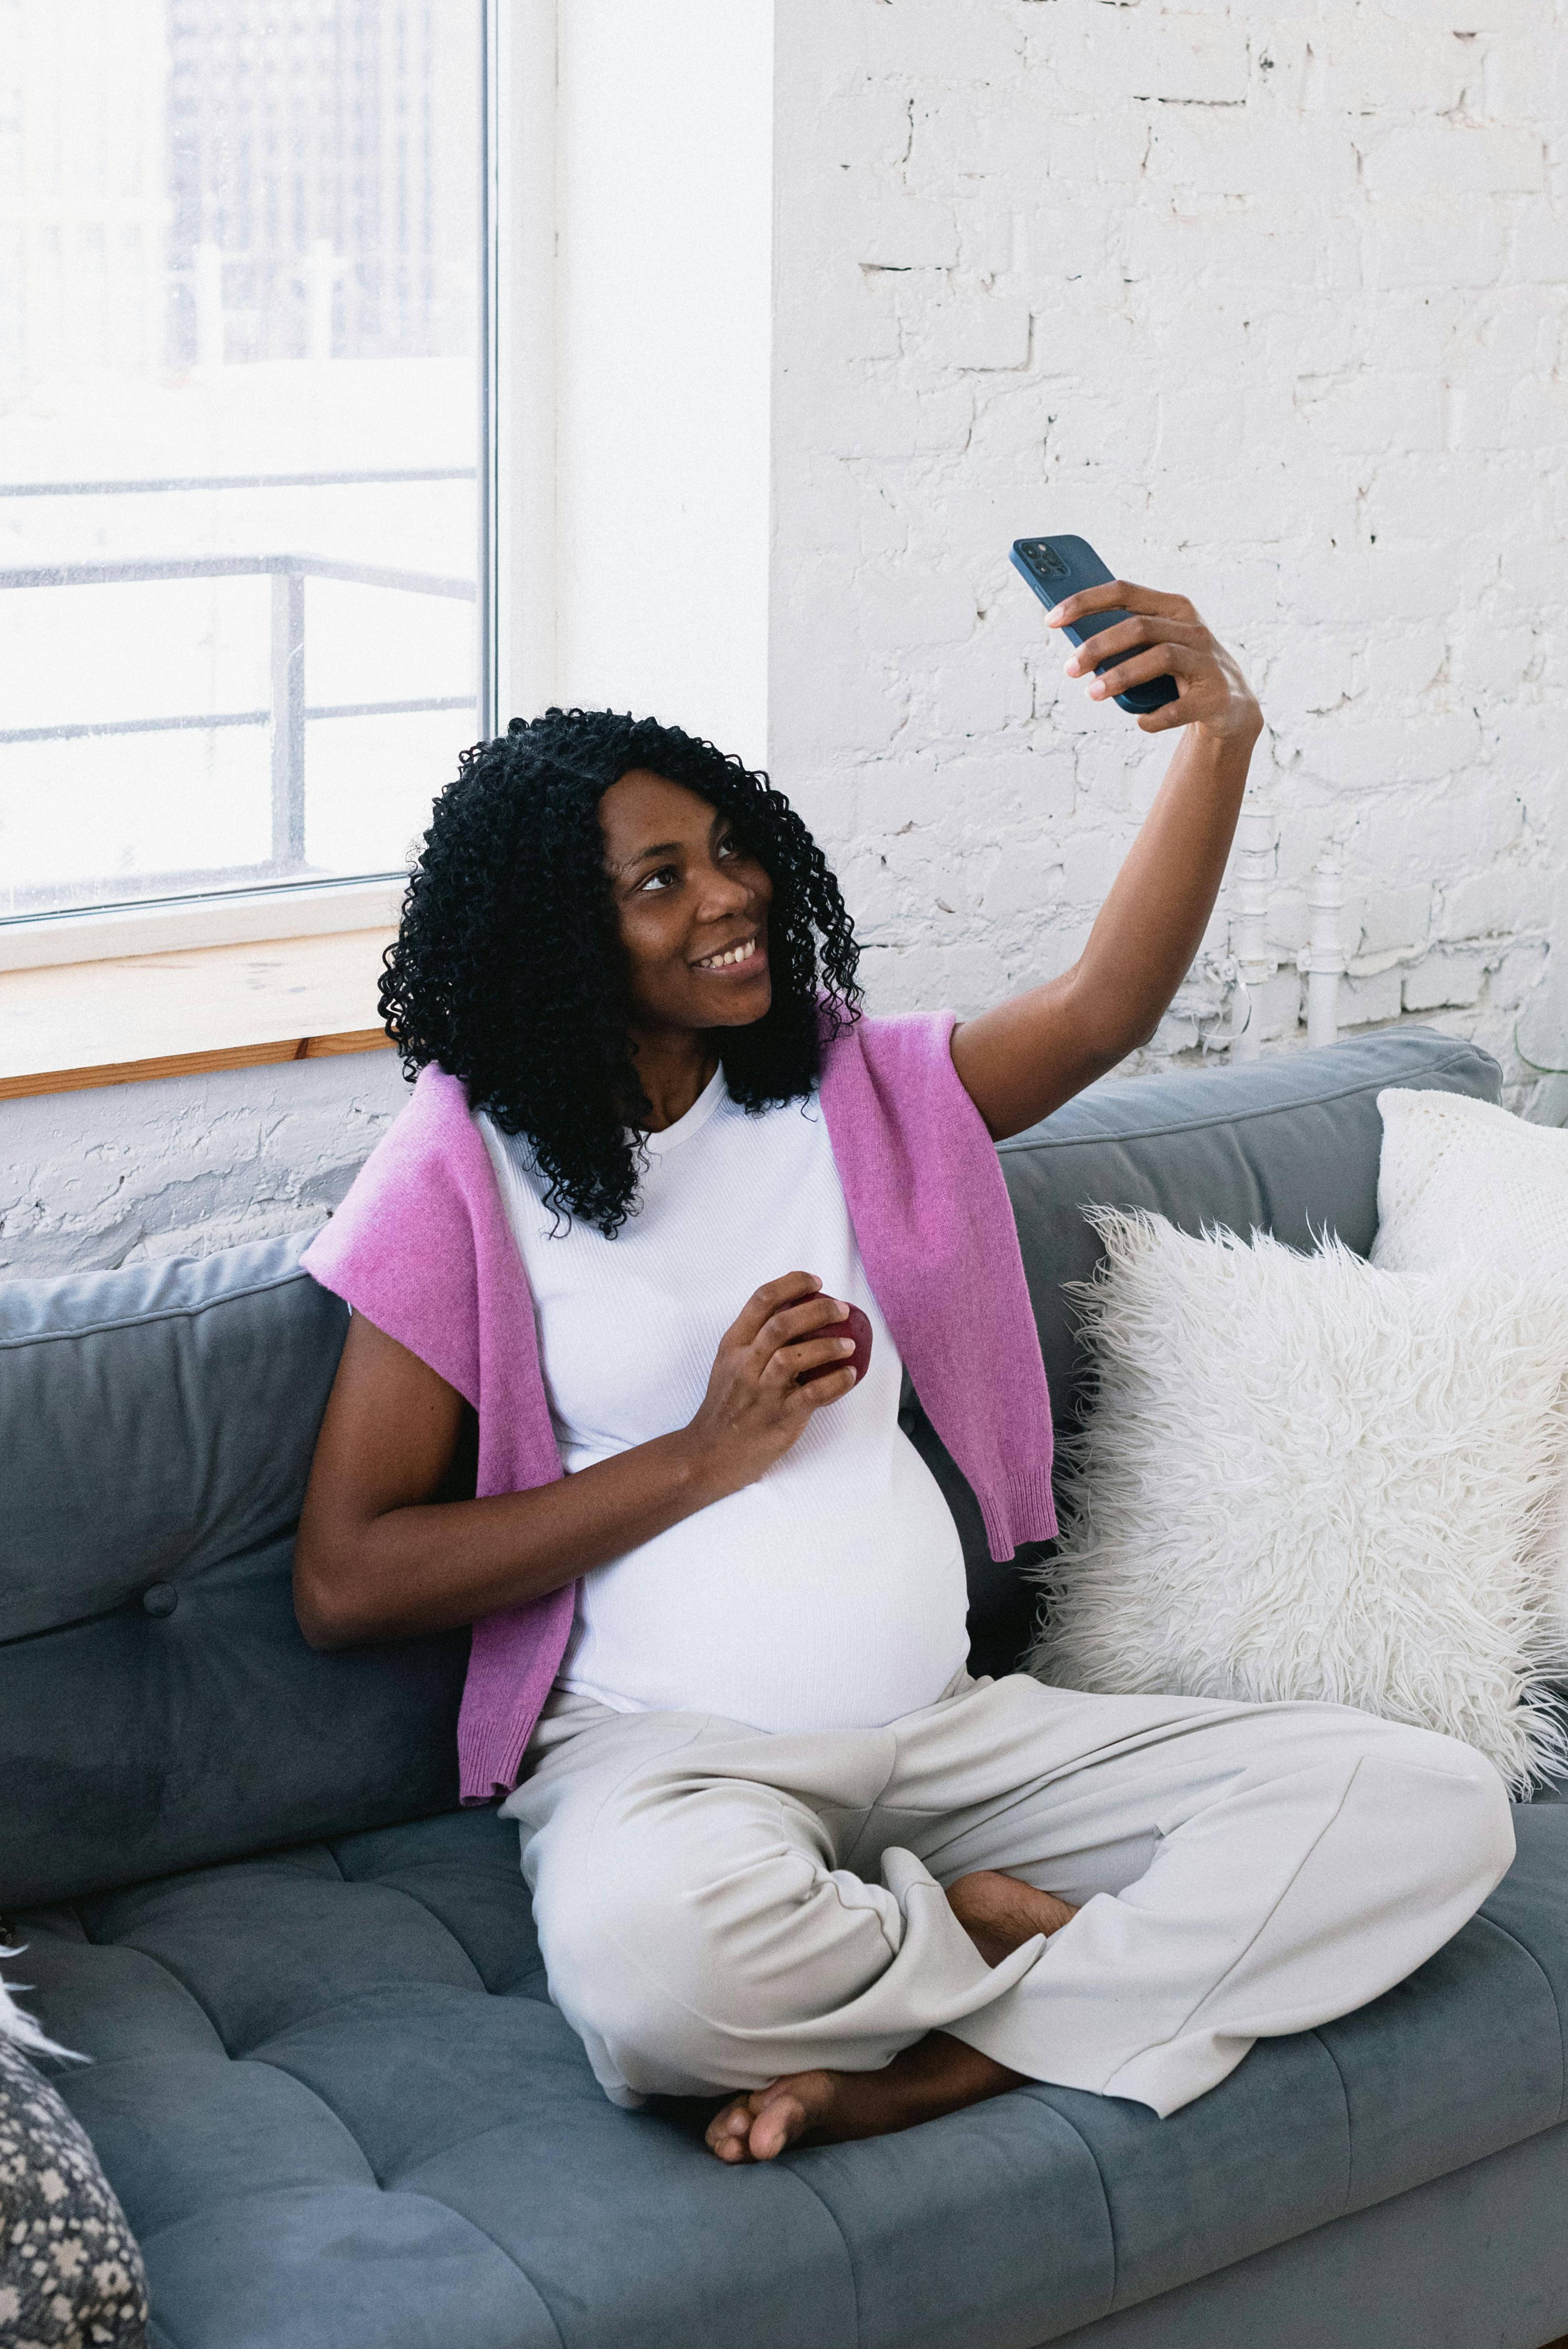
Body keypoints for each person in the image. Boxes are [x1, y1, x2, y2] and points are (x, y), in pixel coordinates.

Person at [294, 577, 1513, 2165]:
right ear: (556, 936)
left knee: (1429, 1806)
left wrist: (1217, 740)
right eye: (660, 880)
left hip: (954, 1739)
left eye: (732, 848)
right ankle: (1033, 1963)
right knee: (656, 1983)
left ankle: (957, 2055)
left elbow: (1099, 1012)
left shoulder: (846, 1088)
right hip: (671, 1762)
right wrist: (701, 1453)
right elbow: (349, 1576)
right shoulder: (464, 1165)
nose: (729, 894)